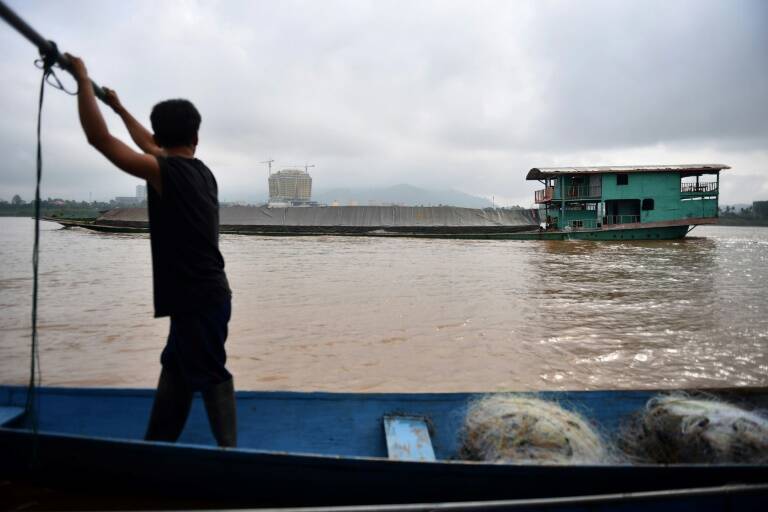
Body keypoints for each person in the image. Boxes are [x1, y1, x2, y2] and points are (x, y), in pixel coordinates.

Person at [67, 54, 236, 447]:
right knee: (176, 368)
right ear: (196, 138)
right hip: (202, 297)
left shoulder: (165, 172)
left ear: (162, 139)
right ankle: (156, 446)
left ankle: (231, 459)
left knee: (211, 373)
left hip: (199, 299)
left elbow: (100, 141)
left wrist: (81, 79)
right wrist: (119, 107)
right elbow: (147, 142)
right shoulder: (200, 170)